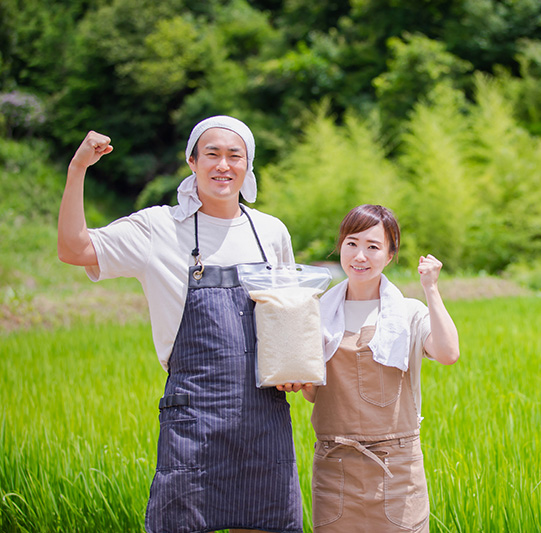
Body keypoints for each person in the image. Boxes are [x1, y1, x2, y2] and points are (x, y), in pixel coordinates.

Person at [57, 116, 306, 533]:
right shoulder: (158, 227)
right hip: (194, 416)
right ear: (191, 161)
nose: (222, 165)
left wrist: (296, 371)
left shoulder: (270, 232)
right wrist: (77, 168)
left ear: (248, 166)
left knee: (267, 523)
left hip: (263, 415)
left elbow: (287, 318)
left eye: (234, 155)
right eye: (211, 154)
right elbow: (74, 249)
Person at [302, 204, 460, 532]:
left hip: (396, 470)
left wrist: (431, 289)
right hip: (336, 469)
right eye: (352, 243)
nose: (360, 255)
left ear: (389, 256)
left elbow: (448, 353)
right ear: (341, 247)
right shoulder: (317, 313)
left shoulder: (408, 313)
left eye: (373, 247)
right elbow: (312, 393)